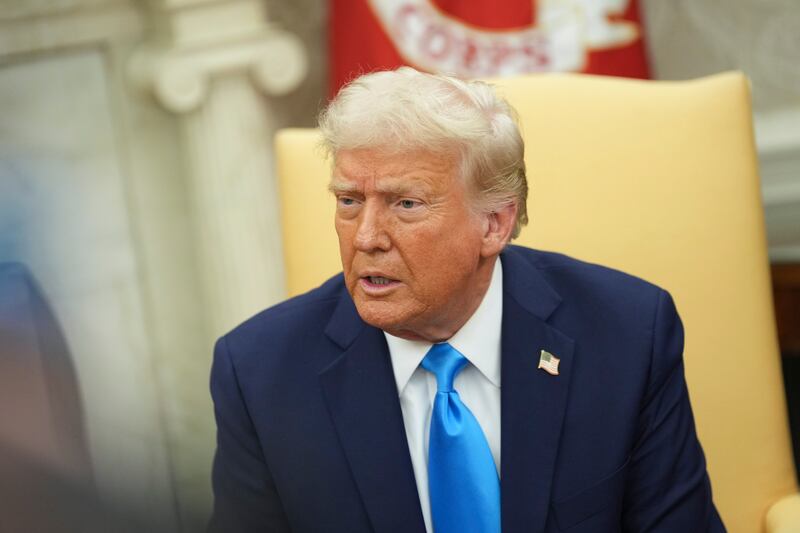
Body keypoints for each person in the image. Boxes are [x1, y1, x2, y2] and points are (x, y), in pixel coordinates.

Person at [208, 67, 725, 532]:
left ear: (494, 224)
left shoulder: (627, 334)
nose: (365, 237)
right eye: (349, 201)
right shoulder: (259, 373)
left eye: (405, 204)